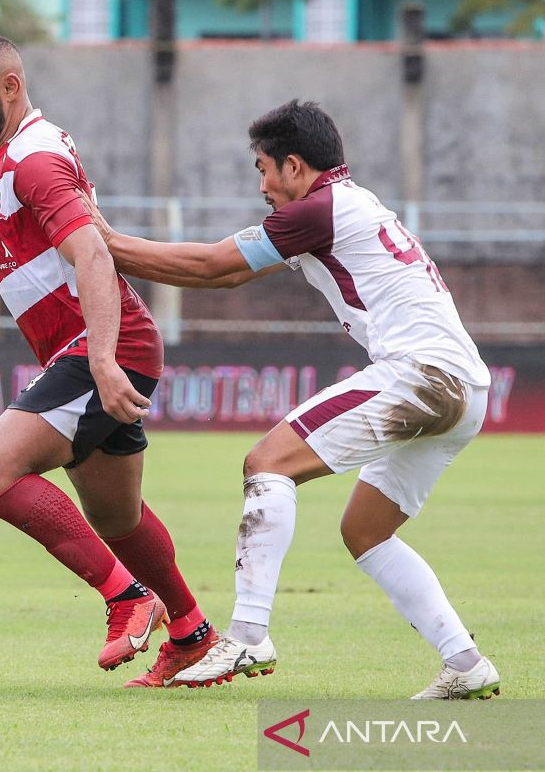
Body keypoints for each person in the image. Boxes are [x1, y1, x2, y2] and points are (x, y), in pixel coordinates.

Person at [83, 100, 500, 699]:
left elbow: (212, 268)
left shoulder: (319, 209)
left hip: (421, 374)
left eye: (263, 169)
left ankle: (249, 633)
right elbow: (226, 272)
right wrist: (111, 242)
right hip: (468, 387)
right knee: (367, 532)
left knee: (266, 463)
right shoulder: (346, 204)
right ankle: (464, 661)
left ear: (295, 165)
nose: (262, 186)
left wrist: (99, 239)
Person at [0, 34, 217, 686]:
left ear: (9, 86)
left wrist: (102, 358)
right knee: (116, 516)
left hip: (100, 346)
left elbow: (94, 254)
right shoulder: (5, 162)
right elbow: (1, 263)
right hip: (100, 348)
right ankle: (190, 633)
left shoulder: (35, 162)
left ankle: (129, 598)